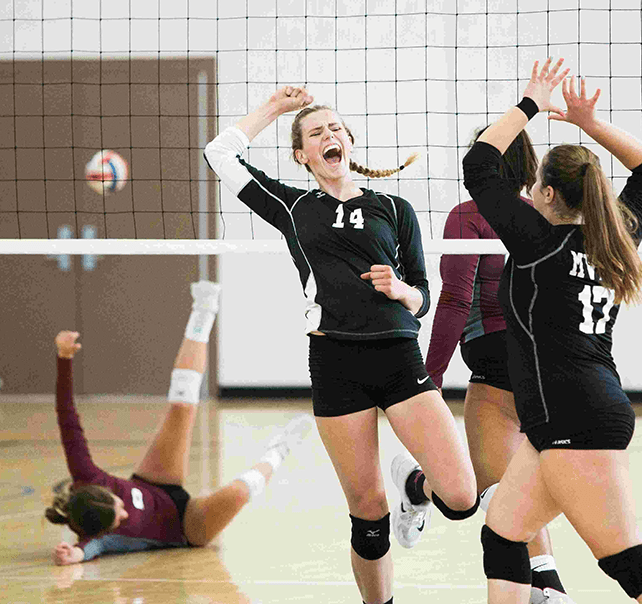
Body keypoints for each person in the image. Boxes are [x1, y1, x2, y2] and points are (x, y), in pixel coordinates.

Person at [204, 86, 479, 604]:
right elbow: (219, 153)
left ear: (349, 142)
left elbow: (423, 295)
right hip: (335, 362)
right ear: (301, 155)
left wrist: (401, 291)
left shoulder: (395, 209)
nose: (328, 135)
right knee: (368, 510)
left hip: (398, 356)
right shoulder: (291, 206)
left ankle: (413, 488)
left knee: (462, 498)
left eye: (335, 128)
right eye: (315, 133)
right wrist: (277, 109)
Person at [462, 57, 642, 603]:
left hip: (574, 419)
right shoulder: (618, 237)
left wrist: (530, 104)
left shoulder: (539, 243)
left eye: (536, 183)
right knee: (503, 535)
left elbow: (480, 163)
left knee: (628, 566)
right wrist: (590, 126)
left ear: (543, 196)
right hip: (571, 415)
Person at [46, 280, 313, 565]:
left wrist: (63, 359)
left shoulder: (86, 474)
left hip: (155, 483)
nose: (124, 514)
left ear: (100, 491)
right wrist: (73, 555)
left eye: (118, 506)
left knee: (182, 406)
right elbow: (87, 550)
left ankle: (204, 309)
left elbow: (67, 419)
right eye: (118, 520)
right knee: (237, 492)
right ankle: (279, 450)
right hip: (185, 526)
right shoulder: (98, 537)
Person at [425, 130, 573, 604]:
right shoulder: (548, 217)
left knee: (489, 494)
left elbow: (453, 300)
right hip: (551, 361)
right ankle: (549, 583)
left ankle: (415, 484)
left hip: (495, 358)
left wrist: (427, 380)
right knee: (514, 482)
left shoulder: (470, 215)